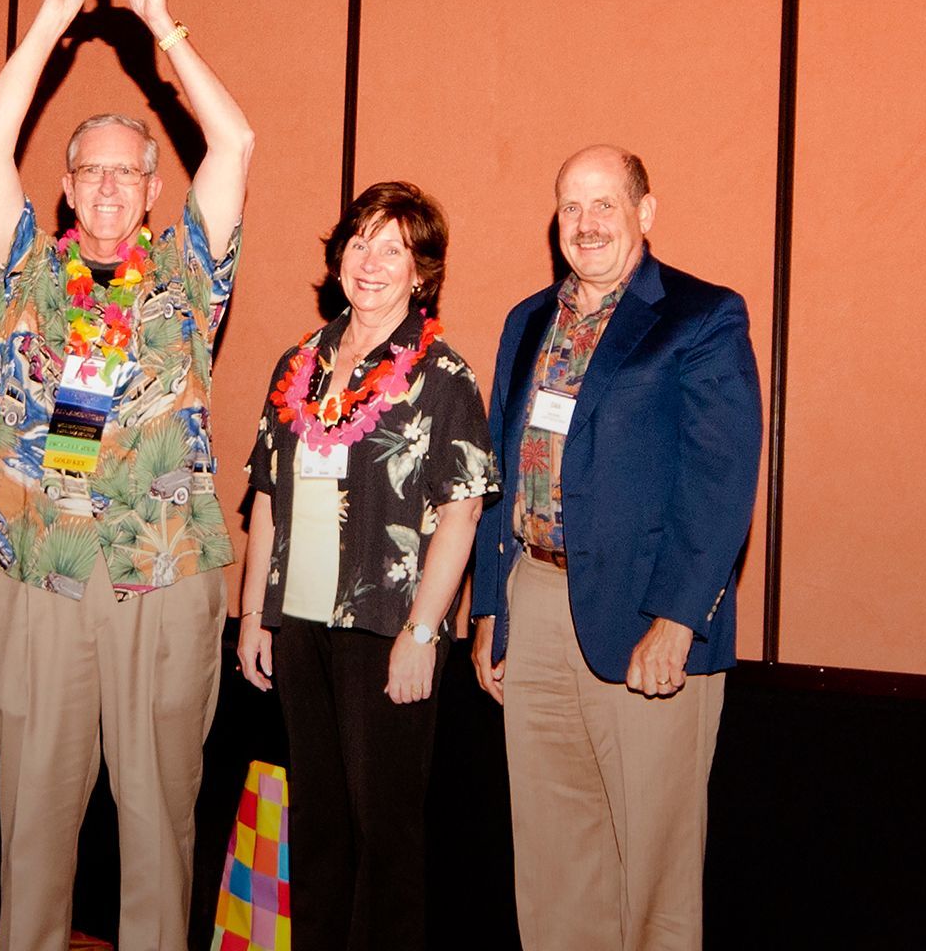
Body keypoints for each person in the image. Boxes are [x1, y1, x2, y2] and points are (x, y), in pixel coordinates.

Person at [0, 0, 254, 950]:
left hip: (164, 574)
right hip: (42, 571)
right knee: (31, 819)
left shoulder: (189, 275)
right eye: (87, 171)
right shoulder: (25, 280)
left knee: (157, 816)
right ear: (67, 183)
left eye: (125, 174)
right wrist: (53, 20)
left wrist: (158, 20)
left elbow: (237, 141)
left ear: (151, 188)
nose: (105, 189)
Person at [471, 145, 762, 950]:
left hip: (646, 616)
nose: (588, 222)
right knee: (554, 860)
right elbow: (499, 467)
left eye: (606, 204)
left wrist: (678, 620)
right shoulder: (528, 320)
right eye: (572, 206)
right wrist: (491, 606)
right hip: (534, 603)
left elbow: (722, 480)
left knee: (654, 874)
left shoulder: (703, 316)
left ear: (646, 212)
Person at [237, 181, 497, 949]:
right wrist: (256, 614)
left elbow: (463, 508)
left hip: (387, 628)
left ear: (421, 272)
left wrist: (424, 632)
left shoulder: (442, 375)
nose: (373, 263)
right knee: (317, 829)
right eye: (361, 244)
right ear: (339, 257)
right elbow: (265, 497)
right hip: (301, 621)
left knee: (384, 836)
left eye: (395, 249)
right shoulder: (301, 362)